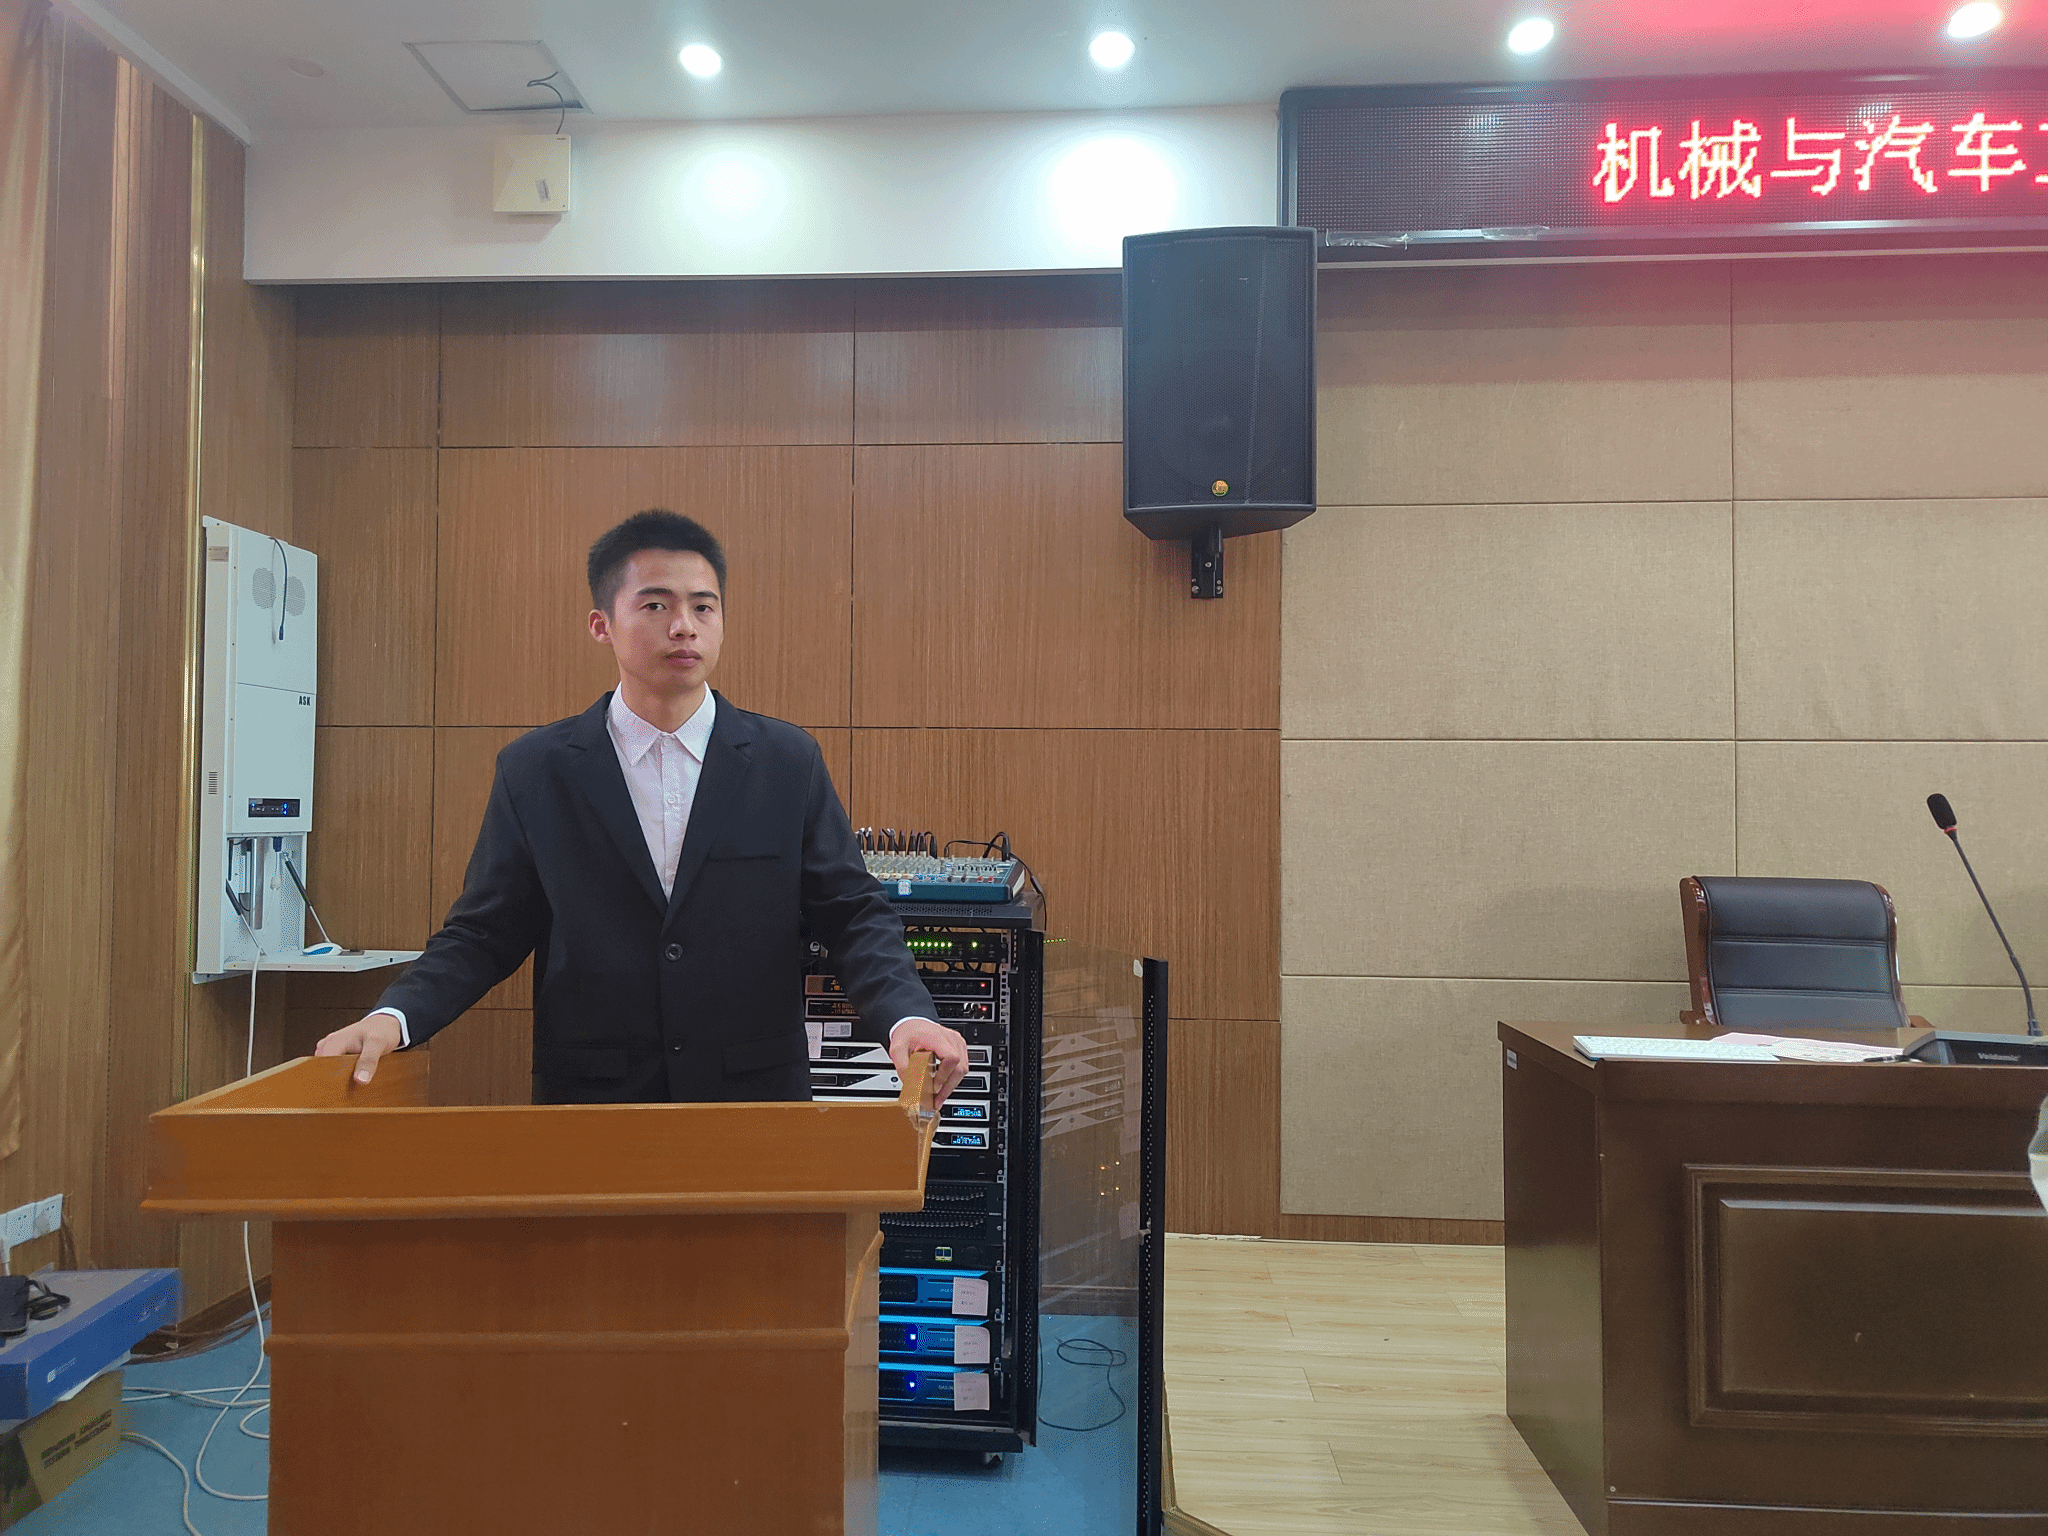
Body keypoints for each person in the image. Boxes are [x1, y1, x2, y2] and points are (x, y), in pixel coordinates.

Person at [314, 509, 969, 1105]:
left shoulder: (786, 761)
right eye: (656, 604)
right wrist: (394, 1017)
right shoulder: (537, 770)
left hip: (754, 1102)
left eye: (704, 607)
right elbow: (485, 933)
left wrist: (908, 1016)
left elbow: (851, 913)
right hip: (594, 1105)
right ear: (602, 625)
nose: (684, 626)